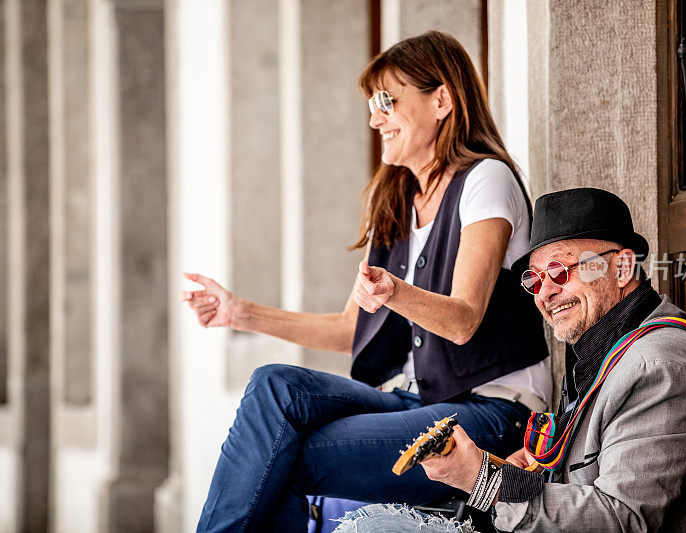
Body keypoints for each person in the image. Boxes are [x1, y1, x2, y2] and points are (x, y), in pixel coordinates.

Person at [181, 31, 551, 531]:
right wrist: (238, 313)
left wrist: (395, 292)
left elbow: (463, 320)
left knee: (278, 458)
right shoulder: (397, 203)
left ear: (441, 100)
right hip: (417, 401)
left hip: (494, 414)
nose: (375, 118)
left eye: (386, 101)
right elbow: (349, 328)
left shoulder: (485, 180)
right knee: (275, 384)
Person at [336, 188, 686, 533]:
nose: (545, 292)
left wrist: (484, 478)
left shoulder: (659, 369)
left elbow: (619, 520)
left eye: (560, 271)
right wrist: (524, 475)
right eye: (534, 279)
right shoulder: (601, 350)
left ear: (621, 267)